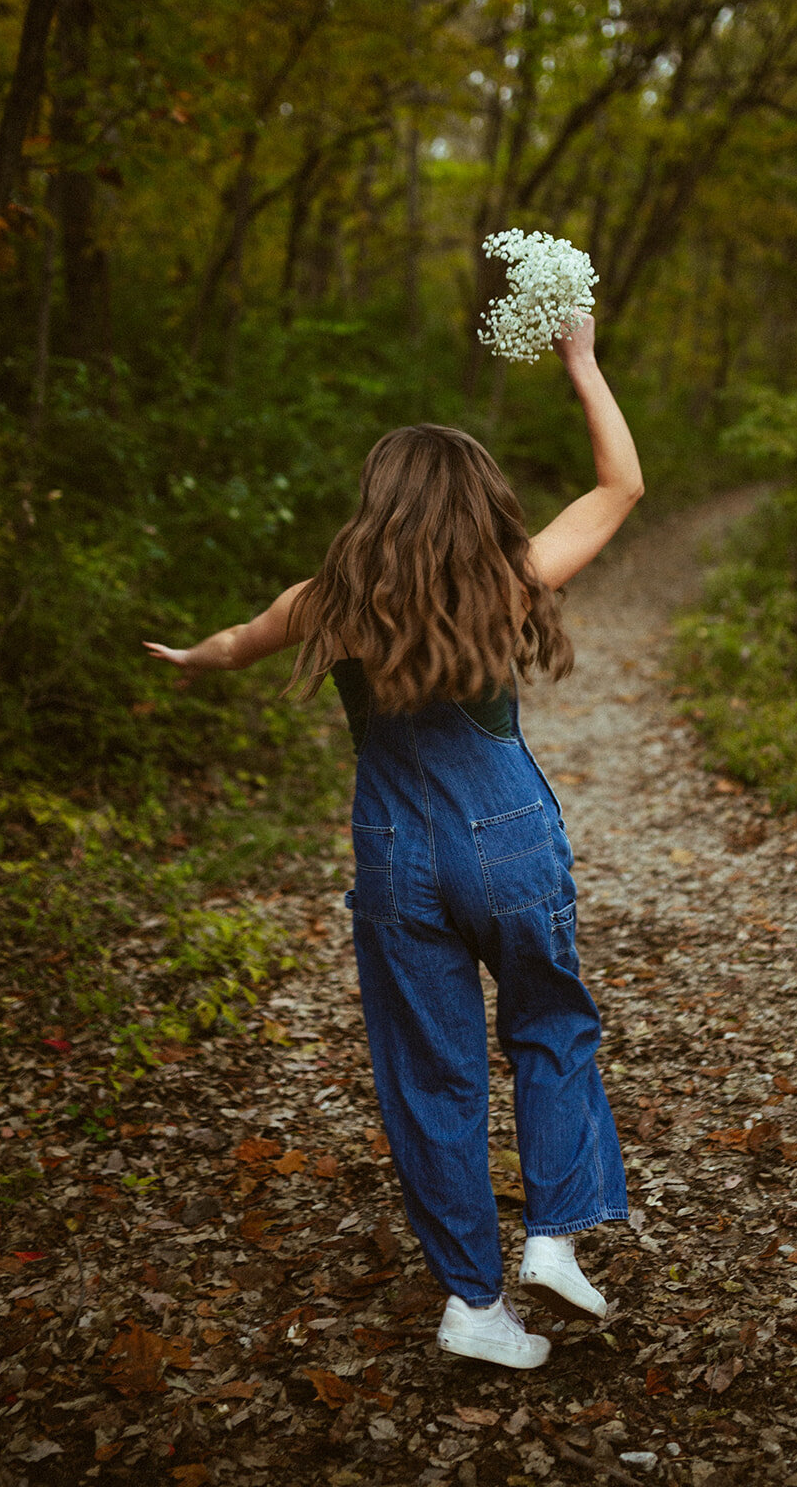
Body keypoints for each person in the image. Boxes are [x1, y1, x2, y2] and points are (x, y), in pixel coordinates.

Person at [144, 315, 643, 1369]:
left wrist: (192, 655)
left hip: (392, 860)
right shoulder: (505, 582)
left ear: (377, 507)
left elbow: (235, 645)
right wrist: (579, 361)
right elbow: (616, 490)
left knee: (431, 1074)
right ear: (479, 507)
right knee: (550, 1027)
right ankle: (552, 1232)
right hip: (506, 843)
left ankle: (471, 1301)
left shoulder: (327, 603)